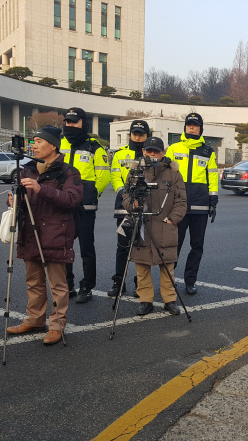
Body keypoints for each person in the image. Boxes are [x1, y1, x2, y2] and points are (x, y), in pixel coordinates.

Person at [5, 126, 84, 345]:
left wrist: (41, 190)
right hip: (30, 232)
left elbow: (72, 200)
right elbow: (20, 197)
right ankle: (35, 318)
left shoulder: (69, 171)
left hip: (56, 233)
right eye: (34, 141)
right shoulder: (28, 169)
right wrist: (12, 200)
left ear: (53, 145)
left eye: (39, 141)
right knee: (34, 281)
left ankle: (57, 325)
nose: (34, 145)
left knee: (57, 284)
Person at [122, 137, 187, 316]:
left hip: (165, 225)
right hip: (141, 225)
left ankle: (170, 300)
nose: (152, 155)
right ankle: (145, 301)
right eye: (148, 151)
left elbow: (181, 201)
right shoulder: (134, 172)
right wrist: (132, 205)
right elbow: (126, 196)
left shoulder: (174, 173)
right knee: (142, 267)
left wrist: (172, 219)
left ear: (163, 153)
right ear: (143, 151)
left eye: (156, 152)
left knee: (167, 267)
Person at [60, 107, 110, 303]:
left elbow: (104, 176)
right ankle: (67, 284)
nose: (70, 125)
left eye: (74, 122)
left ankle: (87, 287)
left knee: (86, 247)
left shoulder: (94, 147)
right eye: (68, 122)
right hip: (62, 203)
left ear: (84, 123)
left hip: (84, 205)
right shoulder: (59, 143)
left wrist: (91, 194)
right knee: (64, 246)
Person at [165, 113, 218, 295]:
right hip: (177, 205)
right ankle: (169, 281)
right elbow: (166, 176)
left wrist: (213, 200)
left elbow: (212, 176)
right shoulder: (173, 148)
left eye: (195, 125)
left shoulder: (208, 151)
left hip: (200, 205)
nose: (191, 128)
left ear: (200, 128)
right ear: (185, 127)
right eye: (189, 125)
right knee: (175, 245)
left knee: (197, 246)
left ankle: (190, 281)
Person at [108, 120, 149, 297]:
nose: (138, 137)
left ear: (147, 135)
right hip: (124, 206)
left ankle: (141, 284)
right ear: (130, 134)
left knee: (142, 246)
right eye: (135, 133)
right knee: (122, 246)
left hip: (146, 206)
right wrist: (124, 194)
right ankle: (119, 283)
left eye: (141, 133)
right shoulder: (120, 154)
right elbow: (115, 176)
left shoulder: (151, 154)